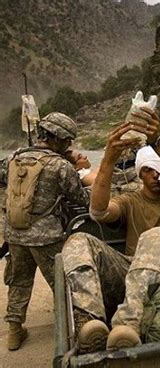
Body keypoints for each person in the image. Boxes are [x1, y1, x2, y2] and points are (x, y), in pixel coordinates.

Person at [61, 106, 160, 353]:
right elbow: (99, 211)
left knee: (156, 234)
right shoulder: (130, 200)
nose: (155, 176)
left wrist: (156, 140)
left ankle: (128, 325)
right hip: (133, 274)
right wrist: (109, 158)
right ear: (140, 173)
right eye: (148, 170)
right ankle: (90, 323)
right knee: (79, 239)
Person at [1, 112, 90, 351]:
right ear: (59, 139)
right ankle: (71, 334)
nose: (70, 145)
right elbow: (82, 199)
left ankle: (14, 332)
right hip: (46, 237)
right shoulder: (60, 165)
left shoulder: (13, 158)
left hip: (14, 234)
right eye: (68, 141)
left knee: (18, 281)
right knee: (62, 284)